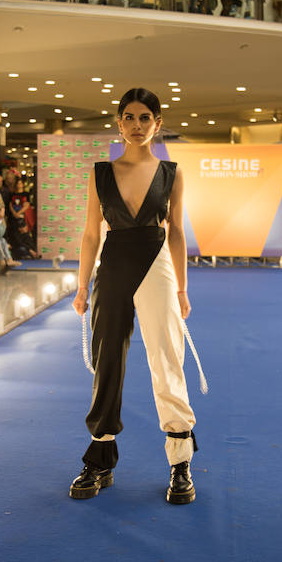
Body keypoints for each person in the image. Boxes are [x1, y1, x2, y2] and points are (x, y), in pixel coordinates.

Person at [70, 88, 198, 505]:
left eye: (146, 118)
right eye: (130, 117)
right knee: (107, 362)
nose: (138, 125)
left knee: (166, 357)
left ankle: (180, 463)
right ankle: (100, 457)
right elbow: (91, 233)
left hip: (157, 269)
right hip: (112, 270)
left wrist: (181, 288)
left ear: (157, 124)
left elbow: (177, 232)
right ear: (118, 122)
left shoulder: (172, 173)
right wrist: (81, 284)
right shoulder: (100, 172)